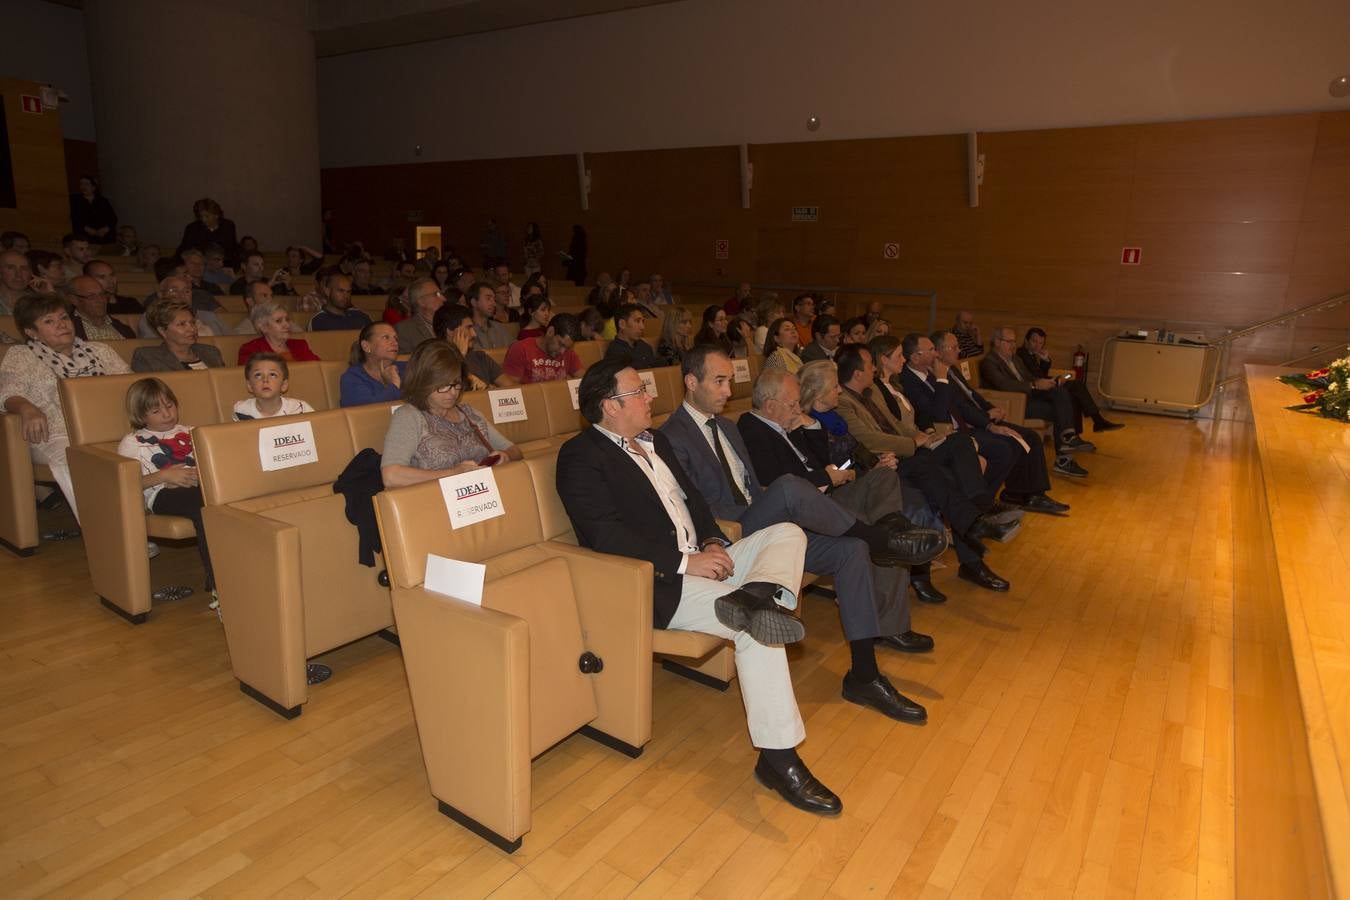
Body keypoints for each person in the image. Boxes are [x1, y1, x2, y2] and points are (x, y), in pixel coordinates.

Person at [558, 356, 844, 814]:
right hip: (660, 581)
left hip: (707, 559)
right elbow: (603, 534)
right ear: (610, 406)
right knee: (758, 630)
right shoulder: (581, 456)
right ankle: (778, 759)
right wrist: (685, 562)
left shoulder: (656, 442)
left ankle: (756, 595)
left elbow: (694, 500)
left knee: (788, 534)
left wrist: (712, 539)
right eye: (639, 392)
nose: (651, 397)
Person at [661, 347, 946, 714]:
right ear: (690, 382)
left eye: (730, 381)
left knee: (851, 550)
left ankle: (864, 675)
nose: (728, 391)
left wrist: (776, 503)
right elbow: (692, 509)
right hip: (728, 534)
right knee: (790, 486)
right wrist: (775, 501)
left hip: (764, 524)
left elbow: (752, 485)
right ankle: (884, 540)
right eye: (719, 381)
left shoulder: (728, 428)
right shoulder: (671, 436)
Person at [743, 364, 956, 606]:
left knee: (885, 477)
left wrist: (807, 424)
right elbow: (780, 486)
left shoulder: (786, 423)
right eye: (792, 404)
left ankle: (893, 531)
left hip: (833, 491)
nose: (796, 409)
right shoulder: (753, 430)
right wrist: (827, 476)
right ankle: (890, 546)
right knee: (885, 534)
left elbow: (820, 461)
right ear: (770, 406)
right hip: (811, 507)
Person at [830, 346, 1019, 591]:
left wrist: (923, 436)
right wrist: (912, 443)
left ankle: (980, 504)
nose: (874, 368)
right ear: (857, 373)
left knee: (960, 442)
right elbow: (869, 438)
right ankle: (973, 548)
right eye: (869, 365)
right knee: (949, 482)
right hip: (892, 461)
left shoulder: (871, 391)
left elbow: (895, 424)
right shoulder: (843, 402)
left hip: (910, 452)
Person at [1, 294, 131, 519]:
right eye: (49, 321)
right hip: (53, 433)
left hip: (107, 428)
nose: (61, 324)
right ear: (32, 332)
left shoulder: (101, 350)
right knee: (78, 458)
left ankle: (141, 516)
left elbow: (132, 386)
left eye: (64, 317)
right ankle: (107, 529)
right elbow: (8, 393)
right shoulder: (21, 355)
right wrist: (26, 408)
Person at [927, 330, 1070, 515]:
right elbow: (960, 406)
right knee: (1012, 442)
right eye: (953, 347)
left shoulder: (952, 369)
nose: (959, 350)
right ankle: (994, 499)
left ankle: (1026, 494)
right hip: (970, 423)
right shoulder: (940, 376)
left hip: (980, 416)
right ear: (938, 351)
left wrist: (990, 407)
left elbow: (972, 394)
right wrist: (986, 419)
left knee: (1031, 437)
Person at [878, 333, 1016, 506]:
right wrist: (942, 379)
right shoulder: (907, 380)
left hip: (944, 431)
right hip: (931, 437)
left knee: (1004, 447)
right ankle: (979, 505)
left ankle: (984, 502)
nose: (936, 354)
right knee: (989, 449)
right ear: (915, 357)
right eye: (931, 350)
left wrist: (987, 422)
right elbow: (936, 412)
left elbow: (958, 404)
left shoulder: (924, 374)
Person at [118, 378, 215, 596]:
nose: (167, 414)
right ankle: (218, 578)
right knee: (204, 508)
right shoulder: (133, 442)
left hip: (201, 486)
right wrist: (163, 476)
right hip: (162, 495)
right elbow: (125, 482)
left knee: (218, 505)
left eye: (170, 405)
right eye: (156, 410)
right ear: (141, 415)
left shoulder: (192, 431)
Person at [381, 341, 522, 488]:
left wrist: (505, 456)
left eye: (456, 383)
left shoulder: (470, 414)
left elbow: (515, 450)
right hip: (434, 501)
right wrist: (453, 473)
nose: (453, 392)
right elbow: (391, 476)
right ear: (424, 381)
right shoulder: (409, 416)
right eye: (443, 385)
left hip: (483, 498)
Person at [980, 326, 1095, 473]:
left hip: (1029, 397)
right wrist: (1034, 385)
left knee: (1060, 392)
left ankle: (1068, 439)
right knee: (1060, 409)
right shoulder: (989, 362)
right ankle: (1064, 457)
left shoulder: (1014, 359)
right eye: (1009, 342)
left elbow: (1029, 377)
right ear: (997, 342)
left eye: (1014, 341)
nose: (1013, 345)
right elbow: (1003, 385)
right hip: (1015, 404)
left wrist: (1043, 382)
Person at [1018, 327, 1123, 433]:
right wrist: (1054, 378)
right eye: (1034, 341)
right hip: (1035, 389)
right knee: (1076, 386)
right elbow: (1036, 377)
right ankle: (1097, 421)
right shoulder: (1021, 354)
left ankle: (1081, 431)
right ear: (1026, 341)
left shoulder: (1031, 354)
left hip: (1044, 385)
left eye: (1041, 343)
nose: (1037, 346)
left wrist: (1045, 361)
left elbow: (1041, 374)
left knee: (1074, 393)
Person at [431, 303, 515, 389]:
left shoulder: (480, 358)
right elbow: (444, 390)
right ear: (450, 331)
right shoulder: (434, 361)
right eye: (468, 328)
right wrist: (460, 356)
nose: (474, 334)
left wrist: (487, 388)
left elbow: (513, 389)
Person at [132, 300, 226, 372]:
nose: (192, 329)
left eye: (192, 322)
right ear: (162, 331)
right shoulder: (147, 357)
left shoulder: (212, 352)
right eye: (182, 324)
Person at [502, 313, 583, 383]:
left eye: (567, 347)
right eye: (561, 344)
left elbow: (584, 380)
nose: (562, 351)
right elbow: (512, 389)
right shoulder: (521, 349)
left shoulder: (568, 352)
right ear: (550, 332)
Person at [340, 322, 405, 407]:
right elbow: (369, 412)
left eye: (396, 338)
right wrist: (395, 384)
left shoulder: (407, 367)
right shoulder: (352, 378)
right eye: (386, 337)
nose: (395, 343)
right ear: (366, 346)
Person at [233, 353, 315, 420]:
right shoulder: (241, 410)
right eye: (258, 375)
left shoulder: (301, 409)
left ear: (284, 385)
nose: (265, 380)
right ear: (249, 385)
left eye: (272, 375)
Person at [236, 301, 320, 365]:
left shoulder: (301, 345)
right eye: (278, 321)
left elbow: (318, 368)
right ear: (263, 327)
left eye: (287, 319)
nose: (286, 325)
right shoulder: (250, 350)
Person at [66, 276, 135, 341]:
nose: (100, 300)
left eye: (102, 294)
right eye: (91, 296)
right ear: (74, 300)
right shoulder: (67, 329)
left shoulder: (124, 329)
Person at [177, 198, 238, 264]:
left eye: (207, 216)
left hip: (224, 264)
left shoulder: (228, 226)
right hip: (201, 264)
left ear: (216, 215)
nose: (203, 220)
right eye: (201, 216)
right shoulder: (192, 228)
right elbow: (185, 249)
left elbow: (231, 248)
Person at [395, 277, 446, 352]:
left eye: (441, 294)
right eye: (436, 294)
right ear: (421, 301)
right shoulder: (403, 330)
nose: (444, 298)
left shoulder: (449, 324)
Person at [602, 303, 656, 368]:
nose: (642, 327)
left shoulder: (646, 347)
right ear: (622, 324)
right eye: (637, 321)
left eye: (643, 322)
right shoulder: (614, 353)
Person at [69, 176, 118, 245]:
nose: (83, 187)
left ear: (93, 187)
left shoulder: (103, 201)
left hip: (104, 236)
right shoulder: (75, 201)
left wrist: (105, 229)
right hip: (85, 237)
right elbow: (74, 218)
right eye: (81, 184)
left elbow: (113, 218)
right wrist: (90, 230)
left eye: (86, 184)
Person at [466, 280, 513, 350]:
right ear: (474, 302)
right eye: (488, 299)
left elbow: (515, 349)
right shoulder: (467, 331)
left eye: (494, 299)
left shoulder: (500, 328)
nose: (494, 304)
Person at [0, 249, 33, 315]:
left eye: (24, 268)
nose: (19, 275)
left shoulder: (38, 303)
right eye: (10, 268)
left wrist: (50, 295)